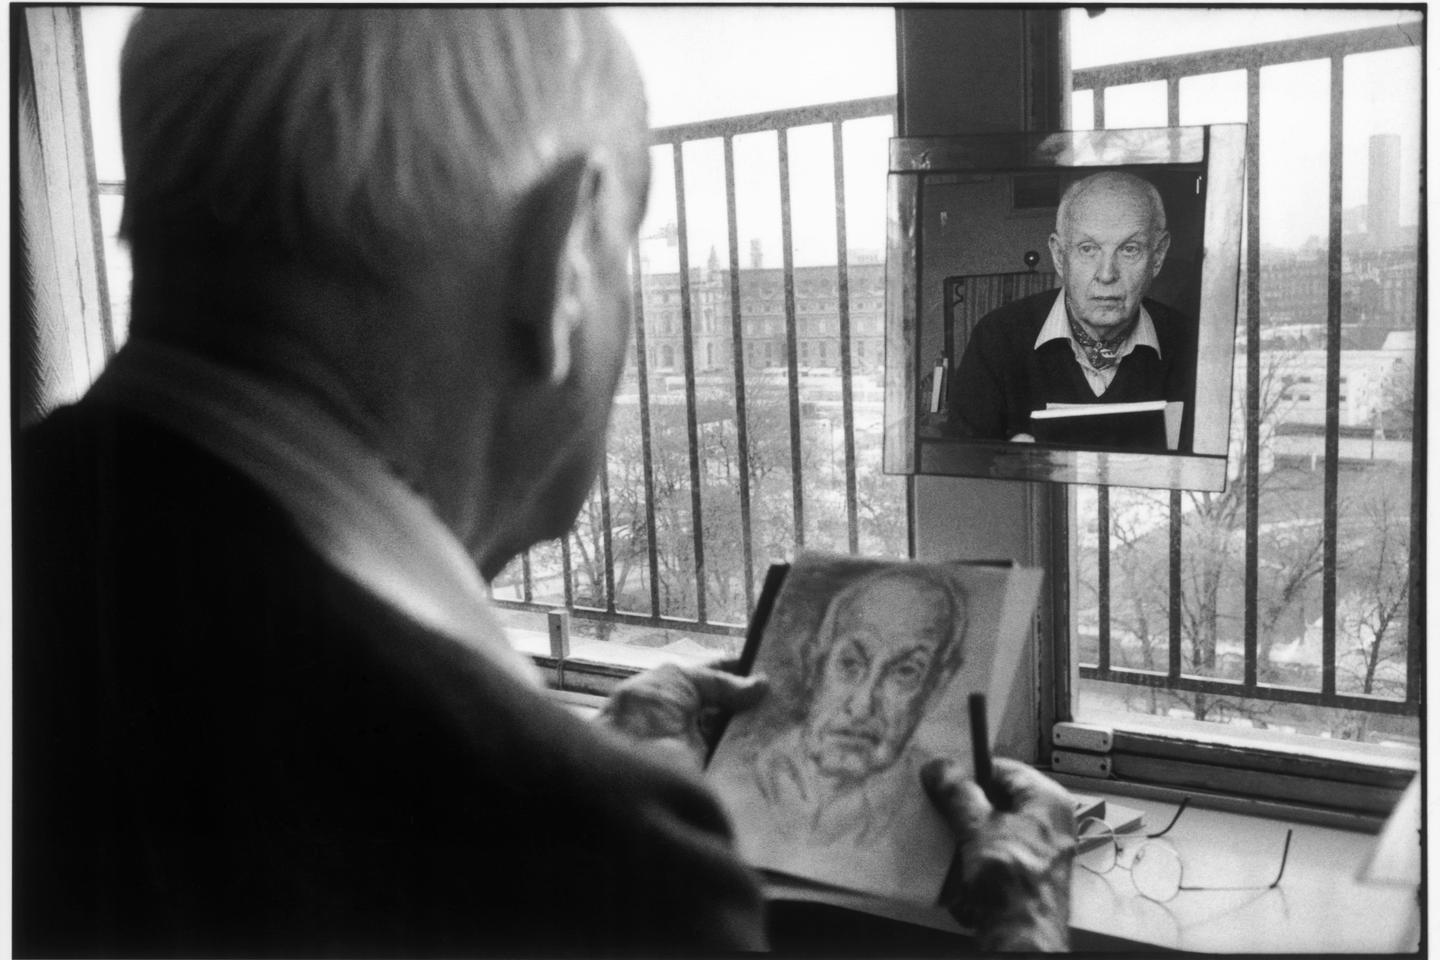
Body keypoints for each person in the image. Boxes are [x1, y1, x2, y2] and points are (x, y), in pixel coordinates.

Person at [14, 9, 1074, 955]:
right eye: (626, 249)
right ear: (561, 255)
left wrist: (582, 758)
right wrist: (1021, 932)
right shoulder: (593, 872)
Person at [949, 170, 1197, 451]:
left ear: (1158, 255)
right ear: (1058, 256)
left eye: (1129, 249)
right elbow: (962, 471)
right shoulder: (996, 338)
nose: (1106, 274)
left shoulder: (1193, 343)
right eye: (1088, 249)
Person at [751, 568, 967, 850]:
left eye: (905, 671)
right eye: (849, 663)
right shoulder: (742, 770)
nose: (863, 707)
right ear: (814, 665)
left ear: (936, 687)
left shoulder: (940, 808)